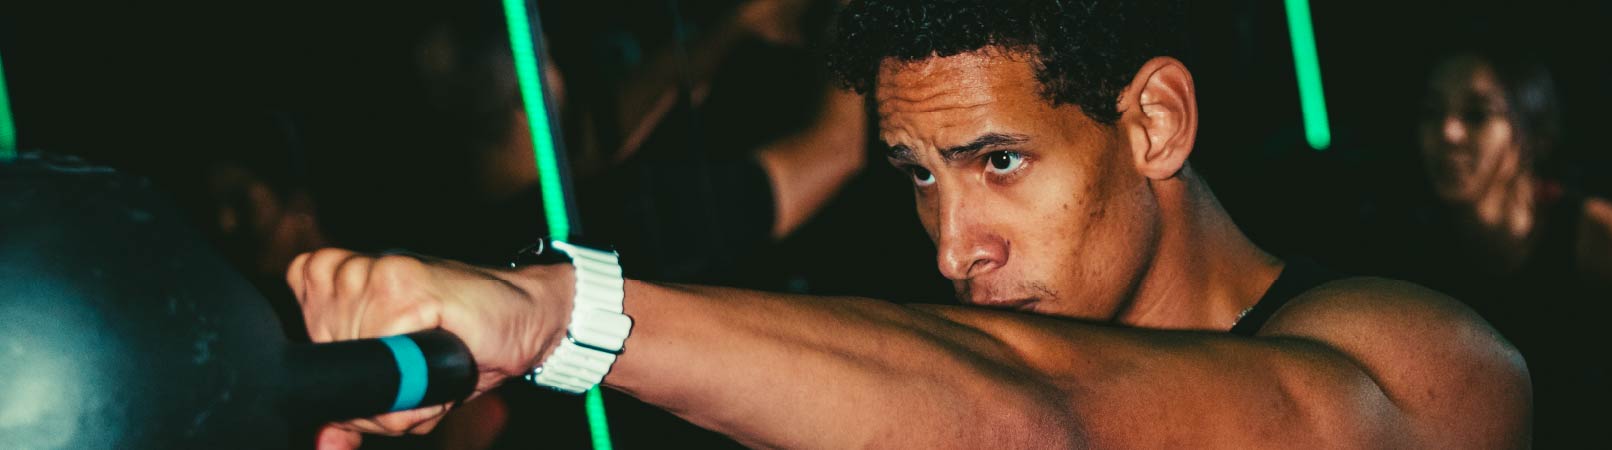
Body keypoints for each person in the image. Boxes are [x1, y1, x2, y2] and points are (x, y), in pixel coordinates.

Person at [291, 1, 1531, 448]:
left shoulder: (1426, 369)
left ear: (1153, 123)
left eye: (1000, 162)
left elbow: (1053, 416)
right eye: (919, 177)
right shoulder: (933, 396)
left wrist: (559, 315)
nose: (953, 246)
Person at [1411, 48, 1612, 449]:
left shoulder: (1607, 238)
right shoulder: (1419, 253)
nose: (1448, 133)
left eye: (1477, 114)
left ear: (1530, 132)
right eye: (1432, 112)